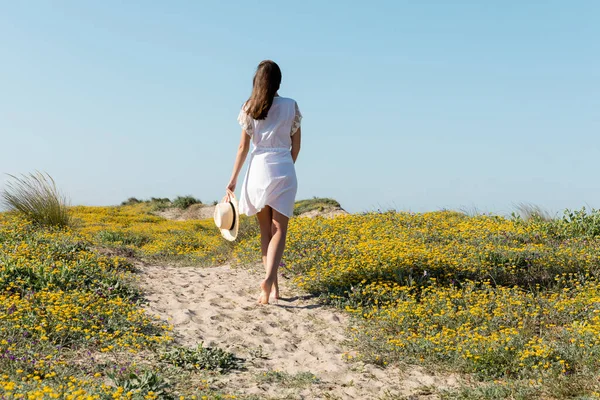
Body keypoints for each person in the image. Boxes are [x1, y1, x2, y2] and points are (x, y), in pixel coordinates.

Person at [225, 60, 302, 305]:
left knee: (265, 232)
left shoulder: (250, 107)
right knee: (279, 229)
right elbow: (296, 145)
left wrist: (233, 180)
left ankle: (270, 289)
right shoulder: (291, 106)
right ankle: (270, 280)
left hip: (258, 170)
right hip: (283, 166)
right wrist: (286, 166)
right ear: (279, 81)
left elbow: (242, 148)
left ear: (257, 81)